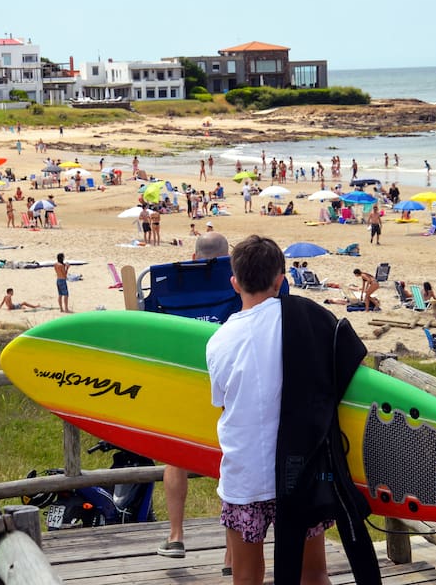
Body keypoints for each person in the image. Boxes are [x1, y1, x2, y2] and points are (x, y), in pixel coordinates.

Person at [206, 235, 378, 585]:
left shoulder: (219, 341)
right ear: (281, 280)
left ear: (235, 282)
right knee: (313, 573)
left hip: (245, 476)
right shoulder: (308, 321)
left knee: (247, 576)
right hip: (302, 472)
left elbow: (222, 402)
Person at [159, 231, 232, 564]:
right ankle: (232, 552)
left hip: (181, 384)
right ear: (228, 258)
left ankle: (176, 536)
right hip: (227, 387)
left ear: (193, 257)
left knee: (174, 458)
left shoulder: (170, 284)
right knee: (230, 461)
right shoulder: (233, 285)